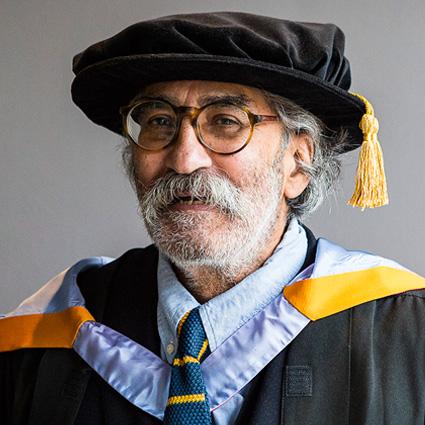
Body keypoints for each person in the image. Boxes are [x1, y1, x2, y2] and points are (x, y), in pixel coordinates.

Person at [1, 11, 425, 425]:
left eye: (226, 121)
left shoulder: (408, 334)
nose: (184, 160)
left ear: (297, 163)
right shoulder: (44, 336)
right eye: (159, 121)